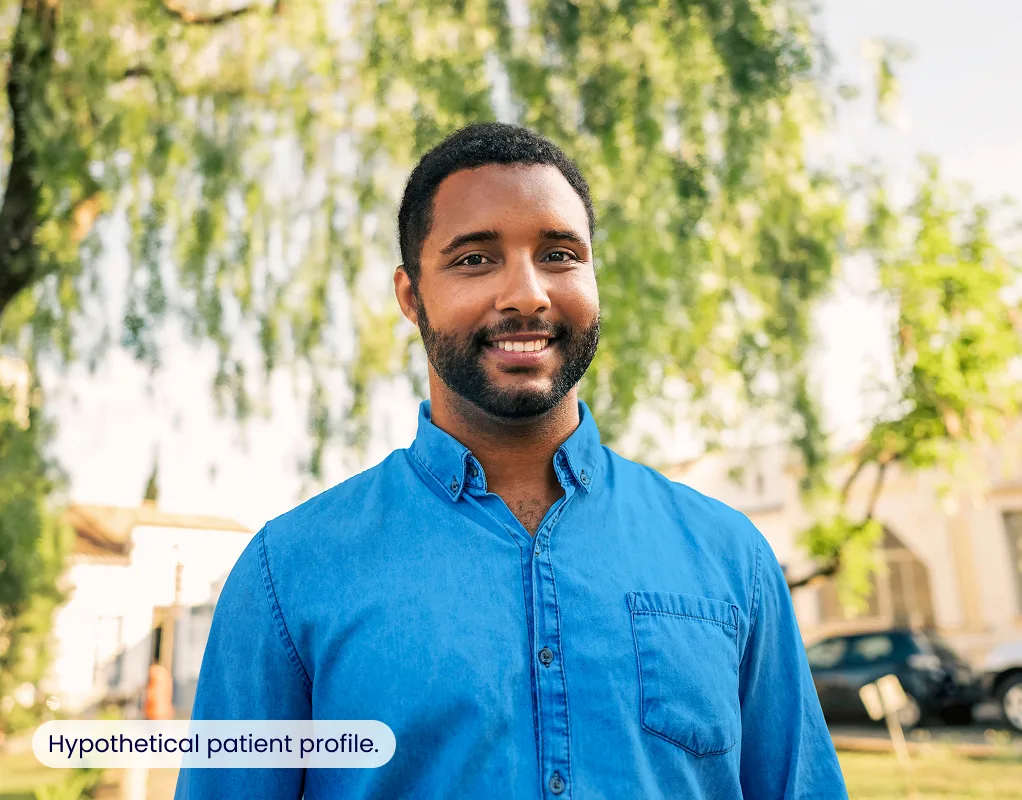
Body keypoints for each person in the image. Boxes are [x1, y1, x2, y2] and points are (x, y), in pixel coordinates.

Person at [175, 122, 848, 799]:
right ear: (411, 297)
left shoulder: (731, 558)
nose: (526, 293)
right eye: (474, 259)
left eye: (559, 254)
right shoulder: (289, 573)